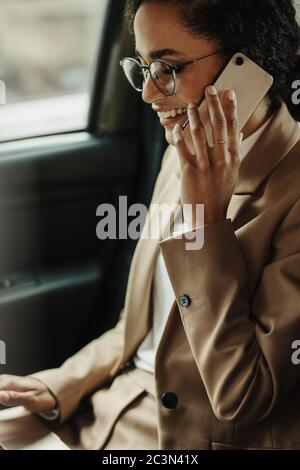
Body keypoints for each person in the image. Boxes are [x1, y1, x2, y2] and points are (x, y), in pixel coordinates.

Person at [0, 0, 300, 450]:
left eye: (168, 67)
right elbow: (139, 327)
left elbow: (246, 395)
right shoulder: (182, 154)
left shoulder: (290, 195)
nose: (148, 93)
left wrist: (205, 222)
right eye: (143, 67)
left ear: (246, 66)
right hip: (105, 411)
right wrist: (62, 384)